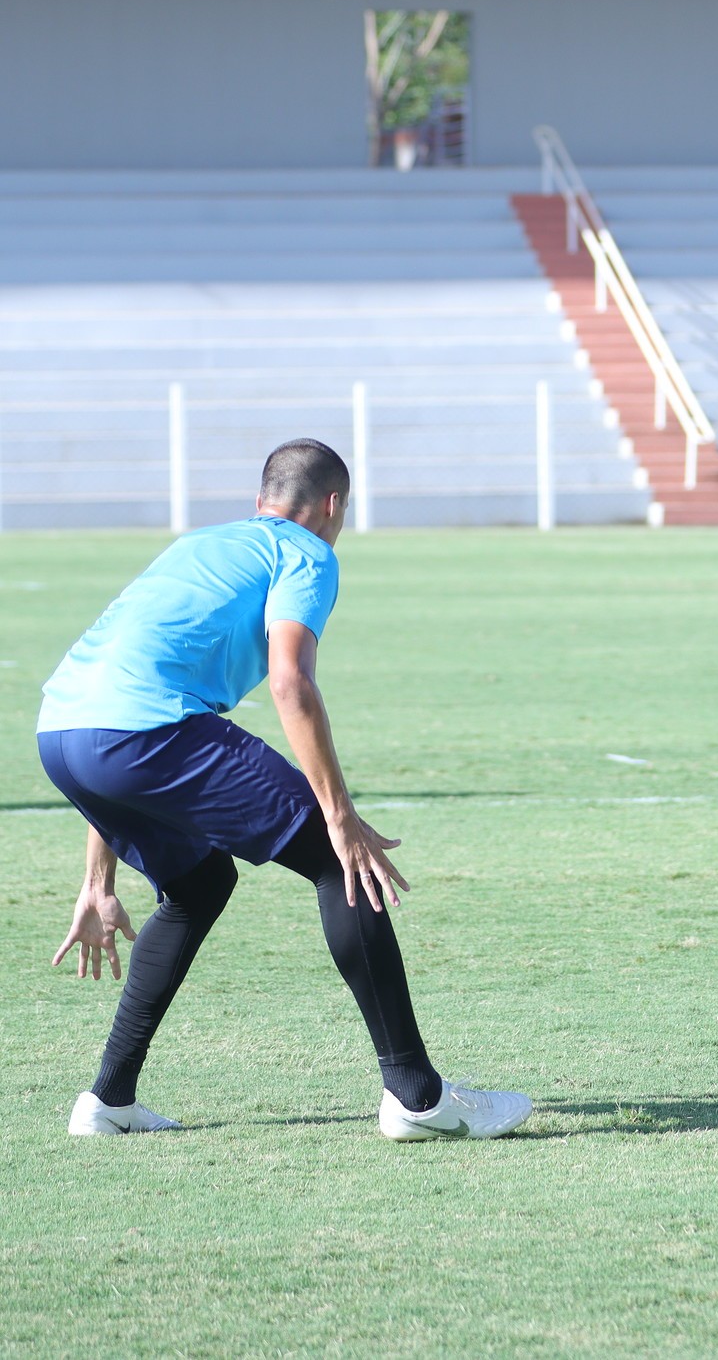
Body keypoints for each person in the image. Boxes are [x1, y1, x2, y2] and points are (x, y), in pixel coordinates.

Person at [37, 439, 530, 1139]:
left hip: (61, 732)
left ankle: (108, 1100)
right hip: (141, 732)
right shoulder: (306, 552)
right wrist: (340, 815)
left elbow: (114, 706)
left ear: (260, 500)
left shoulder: (198, 544)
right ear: (332, 505)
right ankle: (417, 1097)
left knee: (200, 884)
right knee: (338, 858)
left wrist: (98, 879)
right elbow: (290, 680)